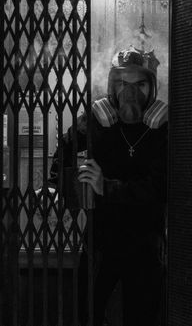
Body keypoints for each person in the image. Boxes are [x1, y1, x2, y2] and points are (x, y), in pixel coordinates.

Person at [49, 45, 168, 326]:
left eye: (139, 83)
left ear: (151, 86)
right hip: (102, 238)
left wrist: (107, 186)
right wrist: (60, 185)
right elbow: (64, 153)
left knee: (141, 315)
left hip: (145, 241)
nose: (130, 92)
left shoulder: (163, 129)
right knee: (87, 310)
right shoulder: (96, 121)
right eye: (122, 83)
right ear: (112, 84)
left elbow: (160, 187)